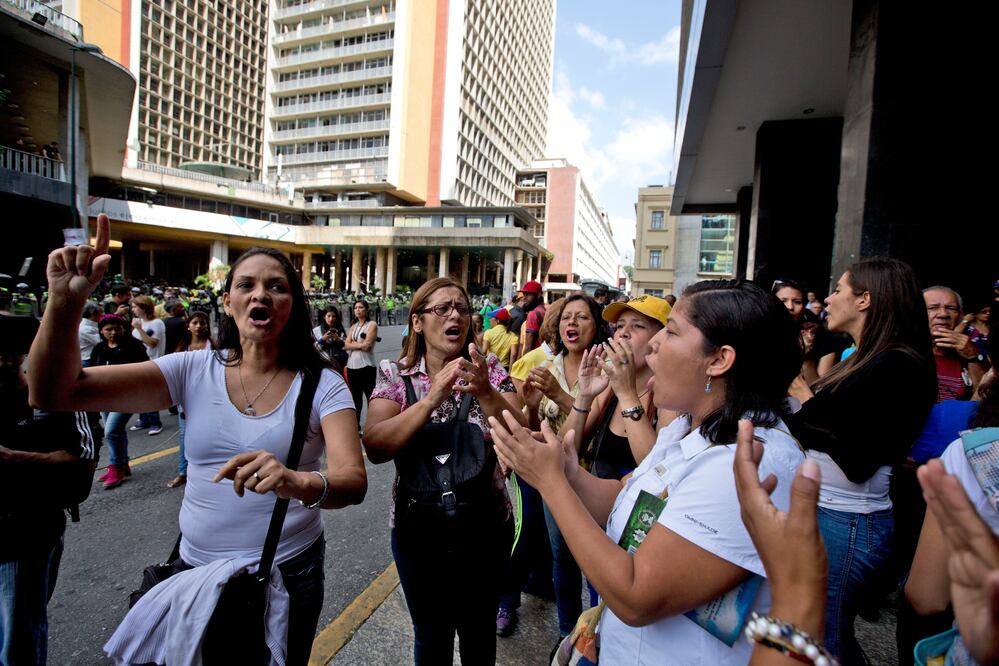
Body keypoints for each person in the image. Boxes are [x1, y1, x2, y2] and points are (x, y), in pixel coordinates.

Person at [28, 217, 367, 665]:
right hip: (193, 567)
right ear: (228, 302)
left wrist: (295, 482)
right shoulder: (191, 369)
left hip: (287, 572)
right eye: (246, 285)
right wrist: (64, 302)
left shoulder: (323, 385)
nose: (260, 294)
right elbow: (54, 391)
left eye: (277, 287)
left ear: (293, 304)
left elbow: (353, 480)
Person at [490, 279, 805, 665]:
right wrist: (566, 468)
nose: (653, 344)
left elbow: (636, 595)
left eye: (670, 331)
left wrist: (551, 483)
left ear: (719, 360)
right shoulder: (687, 430)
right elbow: (626, 501)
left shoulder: (746, 460)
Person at [363, 277, 526, 665]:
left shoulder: (491, 371)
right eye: (442, 308)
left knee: (478, 634)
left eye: (463, 308)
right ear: (417, 322)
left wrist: (485, 391)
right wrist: (433, 395)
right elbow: (375, 445)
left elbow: (522, 435)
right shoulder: (395, 374)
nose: (455, 315)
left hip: (485, 528)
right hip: (418, 532)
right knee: (431, 637)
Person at [786, 258, 937, 663]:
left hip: (849, 523)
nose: (828, 299)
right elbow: (821, 427)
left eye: (838, 290)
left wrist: (801, 393)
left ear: (866, 299)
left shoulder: (899, 365)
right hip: (830, 515)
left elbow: (857, 458)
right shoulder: (862, 358)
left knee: (824, 643)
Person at [0, 314, 102, 666]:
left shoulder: (55, 400)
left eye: (11, 352)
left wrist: (13, 458)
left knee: (17, 641)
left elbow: (82, 464)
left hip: (24, 534)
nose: (4, 360)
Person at [523, 294, 608, 644]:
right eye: (566, 318)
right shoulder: (551, 364)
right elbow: (538, 426)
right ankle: (567, 634)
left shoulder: (604, 367)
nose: (571, 324)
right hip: (554, 479)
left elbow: (582, 432)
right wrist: (529, 408)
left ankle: (598, 635)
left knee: (596, 564)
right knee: (562, 559)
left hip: (592, 480)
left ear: (596, 325)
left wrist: (559, 394)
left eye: (581, 318)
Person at [562, 295, 674, 481]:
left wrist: (626, 394)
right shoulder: (608, 388)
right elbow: (566, 450)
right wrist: (584, 396)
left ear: (661, 339)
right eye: (620, 326)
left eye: (638, 326)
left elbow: (657, 471)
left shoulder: (670, 400)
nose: (623, 333)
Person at [88, 314, 149, 488]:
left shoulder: (134, 346)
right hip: (105, 398)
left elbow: (145, 369)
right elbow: (92, 371)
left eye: (117, 328)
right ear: (101, 331)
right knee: (117, 431)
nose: (113, 332)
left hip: (127, 397)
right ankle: (123, 464)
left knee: (111, 431)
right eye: (108, 329)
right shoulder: (99, 348)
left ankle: (116, 467)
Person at [167, 311, 215, 489]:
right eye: (195, 322)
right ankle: (183, 473)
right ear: (188, 325)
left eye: (202, 323)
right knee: (184, 436)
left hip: (211, 398)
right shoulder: (182, 348)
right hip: (187, 399)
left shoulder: (215, 346)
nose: (199, 326)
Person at [924, 285, 987, 401]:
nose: (943, 314)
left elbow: (981, 399)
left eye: (951, 308)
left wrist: (972, 356)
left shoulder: (968, 349)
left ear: (961, 316)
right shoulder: (903, 351)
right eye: (933, 308)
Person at [772, 279, 837, 383]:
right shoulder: (759, 331)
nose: (790, 307)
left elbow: (818, 389)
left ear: (804, 307)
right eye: (782, 301)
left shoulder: (820, 337)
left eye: (797, 302)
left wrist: (805, 355)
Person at [129, 295, 166, 436]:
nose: (133, 309)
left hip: (153, 362)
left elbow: (152, 343)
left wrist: (138, 329)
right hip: (139, 362)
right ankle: (143, 419)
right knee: (140, 393)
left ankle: (155, 422)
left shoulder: (156, 323)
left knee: (150, 393)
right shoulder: (139, 322)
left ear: (144, 307)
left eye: (135, 306)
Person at [345, 299, 378, 429]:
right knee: (355, 398)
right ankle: (356, 425)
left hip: (366, 366)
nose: (357, 310)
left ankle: (373, 424)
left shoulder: (372, 325)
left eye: (360, 307)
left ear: (366, 309)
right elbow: (345, 345)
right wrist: (359, 344)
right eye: (355, 308)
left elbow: (367, 347)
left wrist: (352, 344)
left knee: (370, 397)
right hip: (352, 366)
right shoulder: (354, 326)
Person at [517, 280, 546, 364]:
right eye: (524, 295)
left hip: (534, 361)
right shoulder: (544, 310)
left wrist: (523, 365)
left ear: (539, 295)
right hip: (544, 359)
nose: (524, 298)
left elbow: (528, 346)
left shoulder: (533, 314)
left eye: (528, 294)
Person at [312, 304, 347, 371]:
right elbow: (313, 350)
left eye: (333, 316)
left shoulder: (340, 330)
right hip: (323, 365)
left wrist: (338, 340)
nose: (331, 319)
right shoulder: (316, 331)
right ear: (324, 316)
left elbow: (347, 349)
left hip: (339, 365)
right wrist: (323, 339)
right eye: (329, 316)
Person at [78, 301, 102, 367]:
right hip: (88, 360)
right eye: (100, 312)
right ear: (93, 313)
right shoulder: (85, 329)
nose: (102, 315)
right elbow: (101, 342)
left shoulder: (89, 326)